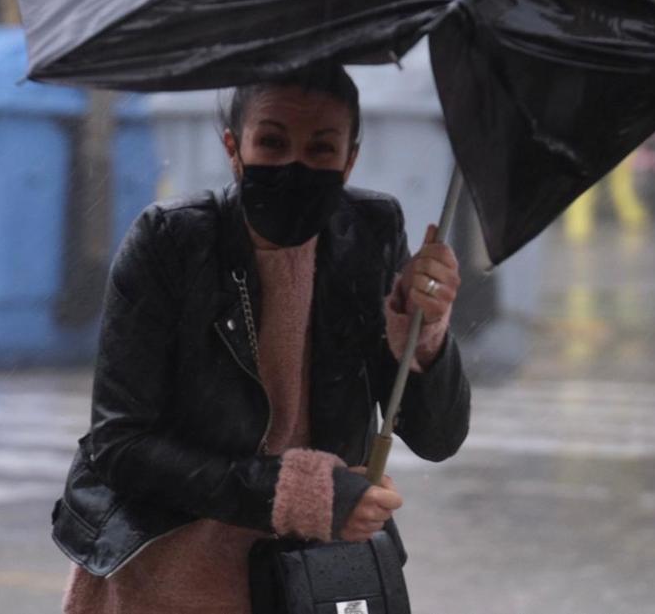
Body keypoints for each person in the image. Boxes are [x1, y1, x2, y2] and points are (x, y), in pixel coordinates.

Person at [55, 63, 471, 613]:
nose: (295, 165)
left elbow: (437, 437)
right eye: (272, 142)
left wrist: (423, 333)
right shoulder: (172, 242)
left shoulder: (370, 234)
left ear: (350, 159)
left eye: (321, 149)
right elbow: (121, 447)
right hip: (169, 573)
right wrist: (297, 493)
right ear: (234, 148)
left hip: (316, 581)